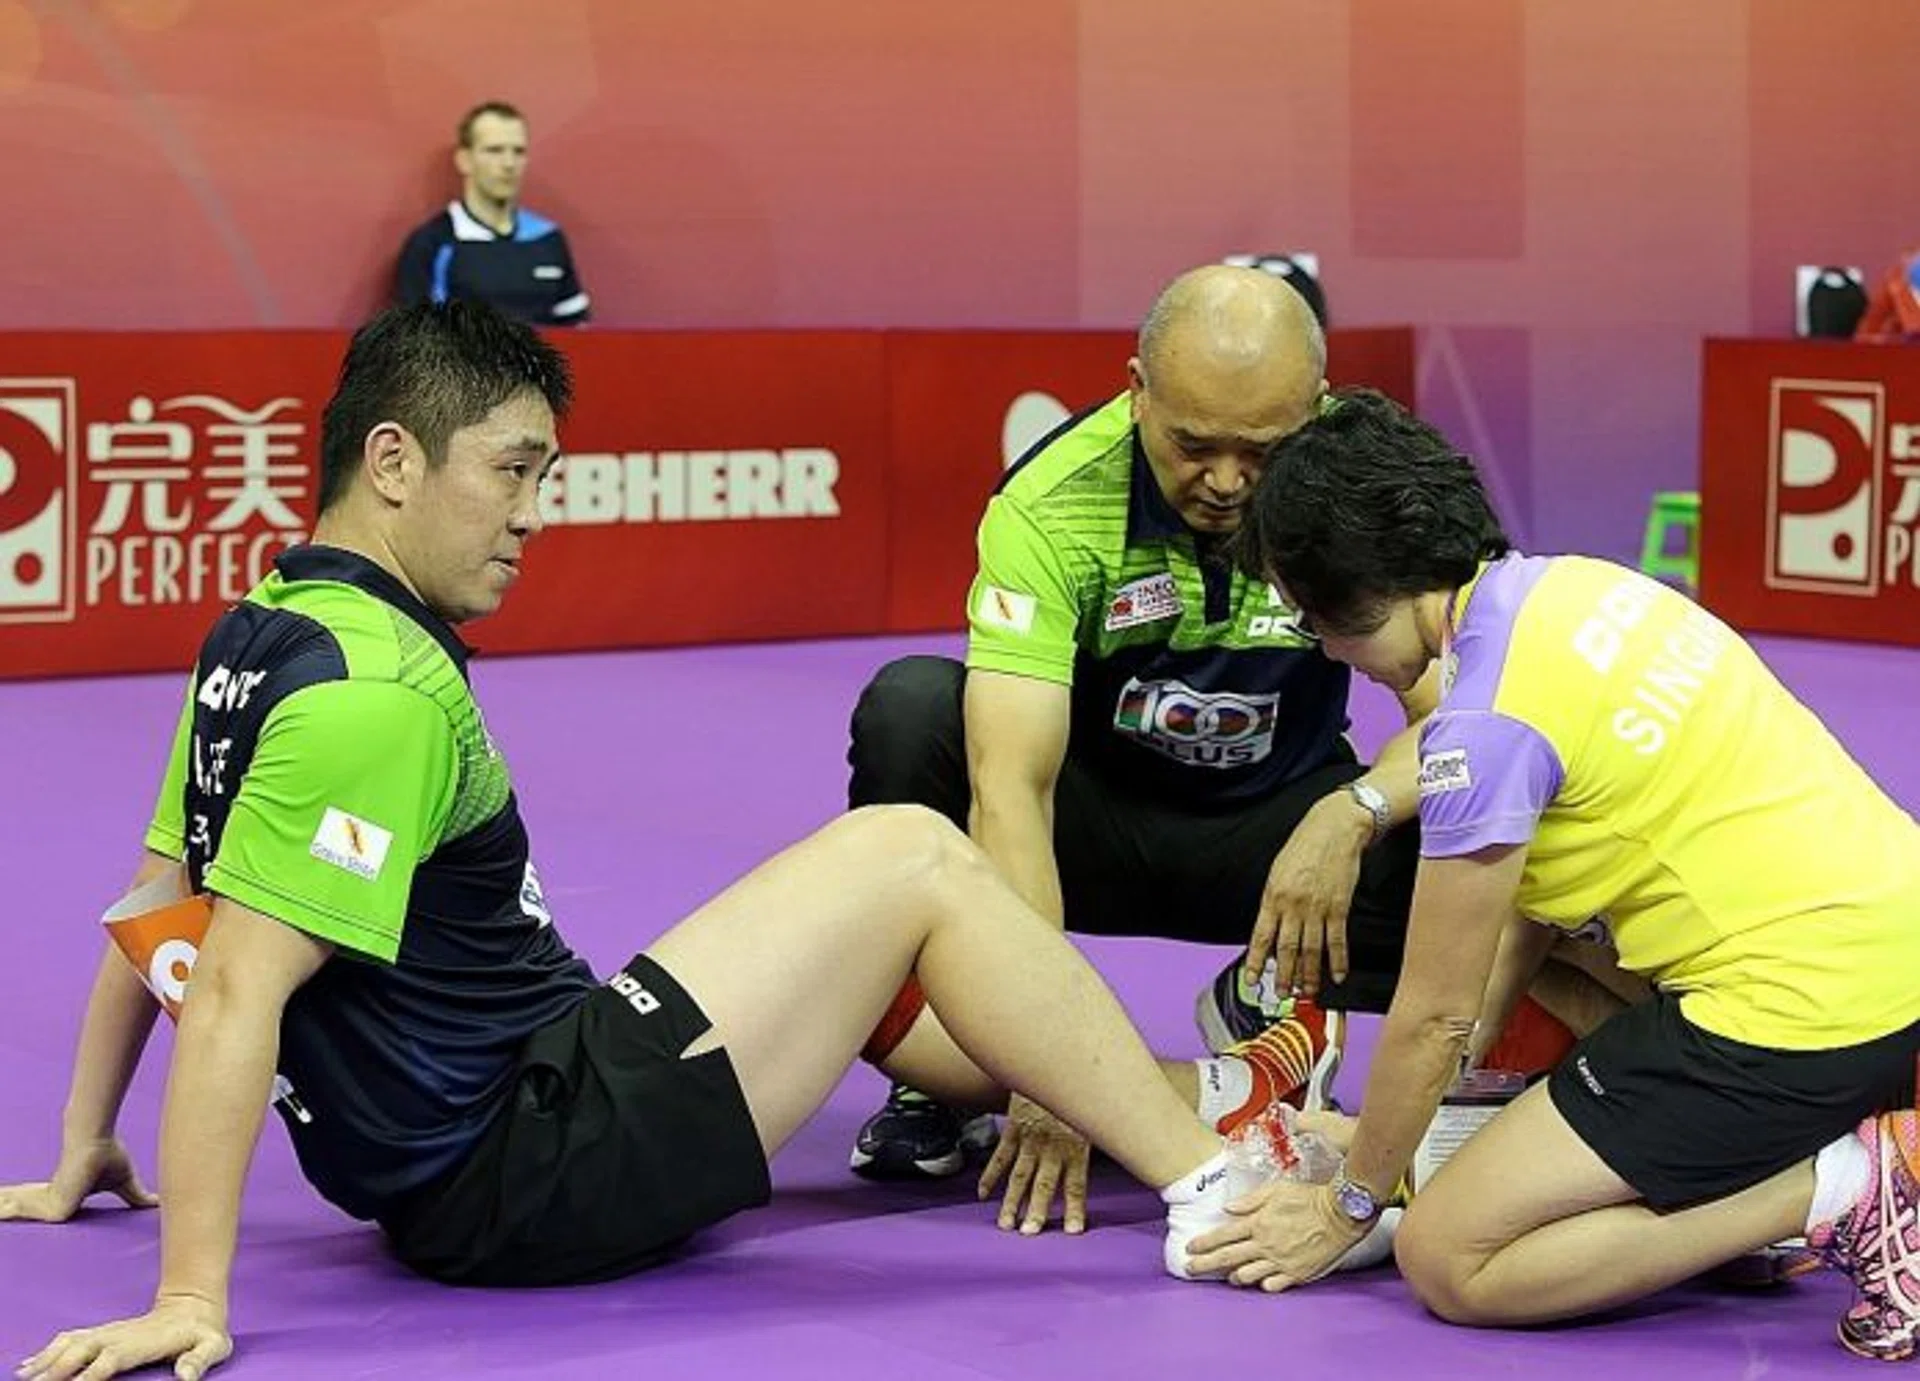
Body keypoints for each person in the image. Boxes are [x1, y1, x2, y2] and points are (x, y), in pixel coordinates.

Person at [0, 303, 1377, 1381]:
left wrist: (84, 1146)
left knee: (883, 982)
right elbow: (234, 980)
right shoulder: (374, 698)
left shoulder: (257, 636)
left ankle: (1233, 1095)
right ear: (394, 460)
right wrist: (187, 1294)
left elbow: (155, 901)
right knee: (908, 853)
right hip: (543, 1164)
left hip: (501, 1135)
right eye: (514, 472)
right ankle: (1215, 1188)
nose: (535, 514)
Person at [845, 265, 1592, 1228]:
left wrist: (1349, 812)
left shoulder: (1363, 491)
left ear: (1316, 412)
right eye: (1194, 445)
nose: (1229, 481)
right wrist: (1041, 1062)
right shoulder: (1052, 505)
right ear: (1136, 390)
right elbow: (1013, 790)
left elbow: (1467, 720)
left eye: (1263, 451)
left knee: (1523, 800)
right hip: (1095, 826)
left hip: (1284, 846)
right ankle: (946, 1076)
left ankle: (1503, 1083)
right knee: (916, 714)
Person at [1186, 388, 1920, 1363]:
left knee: (1454, 1258)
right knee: (1557, 956)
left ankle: (1841, 1188)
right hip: (1891, 955)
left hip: (1795, 1018)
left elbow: (1435, 1011)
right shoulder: (1572, 586)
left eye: (1316, 619)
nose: (1325, 648)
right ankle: (1780, 1158)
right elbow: (1519, 936)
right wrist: (1393, 1132)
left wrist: (1350, 1199)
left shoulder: (1482, 731)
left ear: (1360, 589)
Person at [395, 101, 591, 327]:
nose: (509, 163)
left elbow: (578, 333)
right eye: (494, 150)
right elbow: (416, 342)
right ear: (464, 160)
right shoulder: (432, 244)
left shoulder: (548, 238)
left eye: (518, 151)